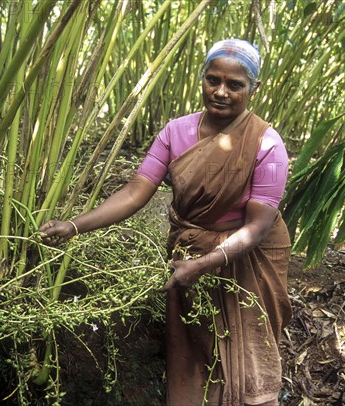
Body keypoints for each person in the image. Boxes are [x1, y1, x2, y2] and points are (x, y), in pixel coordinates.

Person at [39, 39, 292, 405]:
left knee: (245, 346)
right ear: (202, 79)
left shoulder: (267, 145)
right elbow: (136, 191)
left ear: (253, 89)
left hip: (248, 257)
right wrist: (74, 226)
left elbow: (257, 226)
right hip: (191, 250)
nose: (220, 92)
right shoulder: (176, 132)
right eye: (212, 80)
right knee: (193, 340)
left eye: (234, 84)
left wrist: (205, 263)